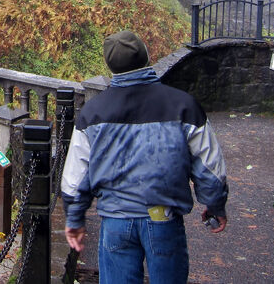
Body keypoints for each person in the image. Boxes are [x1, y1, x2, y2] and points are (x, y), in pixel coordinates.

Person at [61, 30, 229, 284]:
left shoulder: (92, 112)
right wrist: (214, 204)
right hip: (164, 219)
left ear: (109, 65)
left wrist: (75, 218)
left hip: (115, 221)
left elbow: (75, 177)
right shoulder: (183, 105)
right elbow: (209, 164)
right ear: (147, 57)